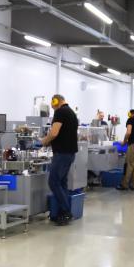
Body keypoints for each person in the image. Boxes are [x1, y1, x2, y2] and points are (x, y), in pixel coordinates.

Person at [41, 94, 79, 226]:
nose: (52, 107)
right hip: (69, 153)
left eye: (52, 104)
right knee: (62, 183)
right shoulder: (71, 113)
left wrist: (43, 142)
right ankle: (62, 212)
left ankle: (66, 212)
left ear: (55, 101)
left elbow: (54, 133)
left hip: (62, 153)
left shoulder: (60, 112)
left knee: (53, 182)